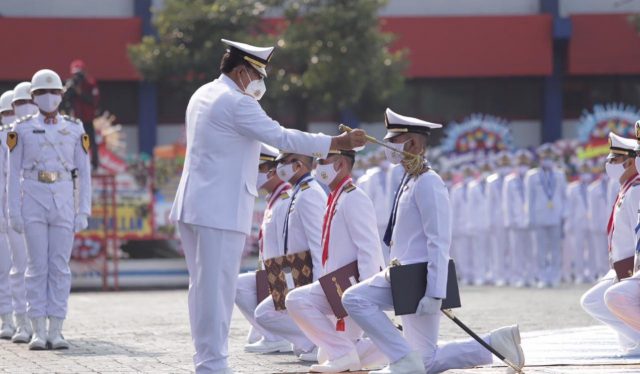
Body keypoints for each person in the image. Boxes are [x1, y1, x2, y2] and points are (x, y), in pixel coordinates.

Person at [168, 38, 366, 374]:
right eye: (258, 75)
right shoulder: (237, 102)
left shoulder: (202, 93)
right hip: (220, 209)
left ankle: (206, 360)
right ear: (242, 71)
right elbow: (281, 138)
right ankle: (213, 365)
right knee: (216, 290)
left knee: (202, 289)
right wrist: (335, 142)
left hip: (192, 206)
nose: (260, 83)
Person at [342, 108, 524, 374]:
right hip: (400, 275)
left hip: (419, 279)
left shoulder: (429, 181)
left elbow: (439, 241)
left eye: (392, 140)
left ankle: (493, 344)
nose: (387, 146)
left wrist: (435, 292)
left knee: (425, 361)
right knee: (356, 299)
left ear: (412, 144)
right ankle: (409, 356)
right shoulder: (409, 179)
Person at [8, 69, 91, 350]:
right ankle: (37, 329)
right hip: (32, 196)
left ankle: (57, 328)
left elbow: (85, 172)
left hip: (64, 198)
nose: (48, 97)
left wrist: (83, 210)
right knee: (36, 267)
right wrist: (13, 212)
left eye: (53, 92)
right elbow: (11, 173)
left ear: (61, 95)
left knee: (59, 266)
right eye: (42, 93)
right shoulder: (20, 128)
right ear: (33, 97)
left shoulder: (75, 128)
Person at [285, 149, 385, 372]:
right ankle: (381, 350)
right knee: (323, 355)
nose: (316, 167)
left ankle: (349, 353)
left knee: (297, 300)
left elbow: (369, 249)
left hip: (352, 289)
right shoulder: (336, 196)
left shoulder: (354, 197)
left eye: (322, 161)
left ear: (339, 164)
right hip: (335, 288)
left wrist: (366, 295)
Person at [252, 151, 326, 360]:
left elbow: (318, 243)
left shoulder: (309, 193)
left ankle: (318, 343)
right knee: (264, 313)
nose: (279, 167)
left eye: (284, 162)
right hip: (293, 270)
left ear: (299, 165)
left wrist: (319, 285)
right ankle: (311, 342)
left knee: (264, 313)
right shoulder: (298, 191)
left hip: (307, 271)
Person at [579, 132, 640, 356]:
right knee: (593, 300)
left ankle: (636, 341)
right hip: (621, 266)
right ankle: (632, 342)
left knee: (600, 300)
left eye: (614, 160)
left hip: (631, 267)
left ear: (631, 162)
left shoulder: (637, 190)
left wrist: (631, 271)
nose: (609, 164)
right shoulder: (628, 188)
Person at [234, 144, 291, 352]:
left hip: (285, 273)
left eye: (258, 169)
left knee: (237, 285)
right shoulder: (275, 199)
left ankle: (277, 336)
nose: (254, 175)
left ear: (272, 170)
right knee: (236, 285)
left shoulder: (285, 200)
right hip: (270, 272)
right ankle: (271, 334)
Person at [4, 82, 37, 343]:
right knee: (12, 266)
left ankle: (40, 322)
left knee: (37, 267)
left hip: (36, 207)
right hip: (8, 210)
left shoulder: (41, 132)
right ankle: (15, 320)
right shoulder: (8, 135)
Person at [524, 143, 567, 288]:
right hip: (539, 216)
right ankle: (542, 276)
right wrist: (529, 218)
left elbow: (564, 196)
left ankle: (554, 276)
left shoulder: (560, 174)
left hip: (555, 216)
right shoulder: (532, 175)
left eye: (550, 157)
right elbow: (529, 199)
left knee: (555, 248)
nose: (547, 160)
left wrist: (564, 215)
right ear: (540, 159)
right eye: (544, 157)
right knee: (540, 249)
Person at [503, 150, 534, 287]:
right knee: (517, 250)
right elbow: (507, 202)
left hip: (530, 221)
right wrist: (509, 220)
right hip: (516, 221)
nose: (523, 166)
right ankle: (519, 276)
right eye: (520, 163)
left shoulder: (534, 178)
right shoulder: (510, 180)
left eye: (525, 163)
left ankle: (531, 275)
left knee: (531, 250)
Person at [62, 59, 100, 169]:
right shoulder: (71, 84)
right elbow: (64, 100)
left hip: (87, 119)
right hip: (74, 120)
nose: (78, 77)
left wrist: (80, 93)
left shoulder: (90, 84)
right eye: (75, 74)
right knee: (72, 142)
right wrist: (69, 89)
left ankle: (94, 164)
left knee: (90, 141)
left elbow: (94, 101)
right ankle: (72, 164)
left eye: (79, 74)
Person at [564, 161, 593, 284]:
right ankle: (579, 274)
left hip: (592, 222)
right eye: (583, 172)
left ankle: (592, 273)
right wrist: (568, 223)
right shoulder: (573, 188)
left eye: (587, 172)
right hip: (578, 222)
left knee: (593, 249)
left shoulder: (594, 187)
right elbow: (569, 207)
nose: (585, 175)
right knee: (578, 249)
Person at [0, 91, 14, 340]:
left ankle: (27, 321)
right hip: (2, 214)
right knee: (3, 270)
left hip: (26, 212)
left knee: (24, 271)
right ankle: (7, 319)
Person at [487, 152, 511, 286]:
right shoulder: (492, 181)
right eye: (502, 165)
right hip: (497, 218)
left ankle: (512, 274)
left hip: (512, 218)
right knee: (498, 248)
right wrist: (490, 221)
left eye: (506, 165)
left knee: (513, 248)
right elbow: (490, 203)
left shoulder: (515, 180)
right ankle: (499, 275)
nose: (504, 167)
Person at [449, 164, 475, 285]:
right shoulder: (457, 189)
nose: (467, 176)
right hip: (461, 226)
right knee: (462, 253)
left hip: (475, 225)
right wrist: (454, 228)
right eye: (465, 174)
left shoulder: (476, 186)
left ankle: (475, 274)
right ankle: (464, 275)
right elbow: (454, 210)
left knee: (474, 251)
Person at [467, 161, 492, 285]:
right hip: (478, 224)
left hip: (491, 223)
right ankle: (479, 275)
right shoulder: (473, 186)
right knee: (478, 251)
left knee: (492, 250)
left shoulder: (493, 184)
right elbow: (471, 207)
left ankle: (491, 274)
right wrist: (471, 224)